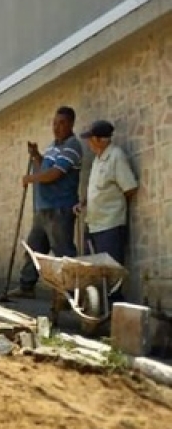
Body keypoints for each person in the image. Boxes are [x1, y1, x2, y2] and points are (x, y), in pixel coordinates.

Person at [16, 106, 83, 298]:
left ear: (71, 124)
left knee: (63, 253)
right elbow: (44, 168)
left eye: (62, 123)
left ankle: (71, 294)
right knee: (34, 249)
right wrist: (37, 156)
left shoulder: (72, 146)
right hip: (43, 208)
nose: (57, 127)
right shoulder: (53, 146)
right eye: (54, 123)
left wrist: (31, 178)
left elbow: (54, 174)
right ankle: (26, 287)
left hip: (59, 209)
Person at [77, 119, 138, 301]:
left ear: (99, 139)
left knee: (112, 276)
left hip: (110, 225)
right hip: (93, 224)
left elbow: (130, 188)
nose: (88, 142)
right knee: (95, 274)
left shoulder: (116, 156)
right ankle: (98, 311)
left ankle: (113, 313)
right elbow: (99, 188)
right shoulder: (98, 159)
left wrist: (112, 207)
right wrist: (84, 203)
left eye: (91, 138)